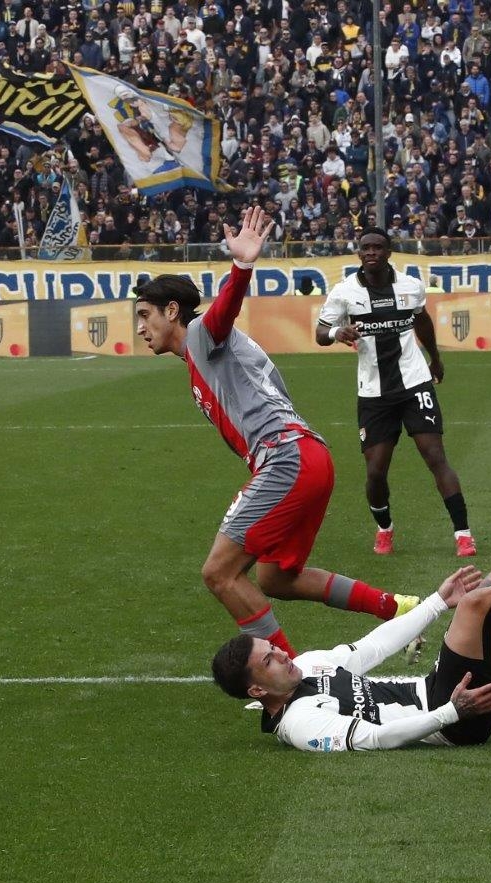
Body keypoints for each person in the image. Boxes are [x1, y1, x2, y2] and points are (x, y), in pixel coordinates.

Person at [134, 208, 420, 659]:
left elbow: (223, 310)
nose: (140, 328)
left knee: (219, 573)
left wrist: (241, 266)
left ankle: (286, 678)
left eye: (145, 315)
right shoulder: (211, 355)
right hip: (307, 456)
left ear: (172, 311)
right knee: (276, 578)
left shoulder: (202, 336)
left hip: (286, 459)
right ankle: (398, 608)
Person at [210, 484, 491, 751]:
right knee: (479, 605)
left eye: (272, 648)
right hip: (452, 718)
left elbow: (373, 647)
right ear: (256, 690)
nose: (281, 655)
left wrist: (437, 601)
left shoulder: (307, 664)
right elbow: (376, 740)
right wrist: (449, 712)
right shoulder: (300, 724)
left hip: (437, 690)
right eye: (269, 660)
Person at [315, 228, 476, 557]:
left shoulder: (410, 286)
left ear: (389, 253)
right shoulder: (344, 292)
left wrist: (435, 358)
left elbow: (422, 321)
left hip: (415, 383)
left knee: (435, 456)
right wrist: (337, 332)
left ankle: (463, 534)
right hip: (373, 392)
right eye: (365, 248)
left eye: (378, 247)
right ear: (359, 254)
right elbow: (320, 332)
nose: (371, 252)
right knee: (376, 471)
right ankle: (385, 528)